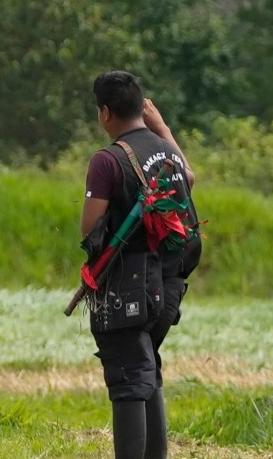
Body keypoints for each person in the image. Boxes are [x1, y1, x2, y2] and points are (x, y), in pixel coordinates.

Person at [78, 71, 201, 459]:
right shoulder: (166, 151)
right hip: (169, 284)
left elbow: (89, 228)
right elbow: (189, 177)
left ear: (105, 113)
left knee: (129, 377)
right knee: (146, 370)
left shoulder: (108, 159)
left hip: (128, 288)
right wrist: (163, 128)